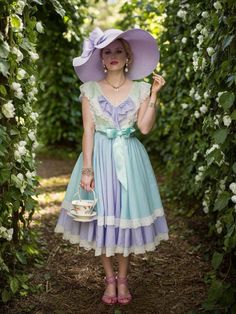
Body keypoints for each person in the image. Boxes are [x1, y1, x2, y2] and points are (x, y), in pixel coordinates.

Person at [54, 27, 169, 306]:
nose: (113, 56)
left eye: (119, 51)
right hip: (101, 157)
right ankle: (109, 279)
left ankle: (124, 278)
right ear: (101, 59)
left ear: (127, 56)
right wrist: (87, 169)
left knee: (125, 217)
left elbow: (143, 127)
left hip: (129, 158)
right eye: (107, 52)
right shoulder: (89, 90)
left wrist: (154, 95)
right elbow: (88, 131)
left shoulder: (142, 88)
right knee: (103, 218)